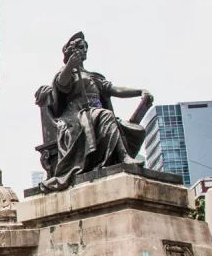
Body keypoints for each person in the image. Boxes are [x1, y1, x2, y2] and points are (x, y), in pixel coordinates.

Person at [36, 32, 153, 192]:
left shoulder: (93, 76)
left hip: (95, 113)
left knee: (134, 129)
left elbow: (115, 89)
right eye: (80, 47)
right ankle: (123, 157)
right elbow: (61, 84)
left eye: (86, 47)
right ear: (71, 51)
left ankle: (112, 159)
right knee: (105, 115)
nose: (84, 50)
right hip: (76, 115)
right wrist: (70, 65)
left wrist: (140, 91)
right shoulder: (67, 73)